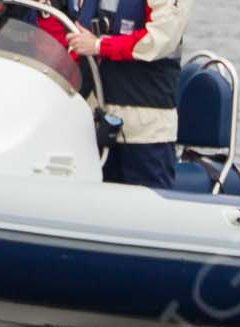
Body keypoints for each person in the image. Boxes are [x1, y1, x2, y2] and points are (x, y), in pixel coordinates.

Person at [63, 0, 191, 189]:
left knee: (148, 207)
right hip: (96, 120)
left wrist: (100, 45)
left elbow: (161, 38)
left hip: (145, 126)